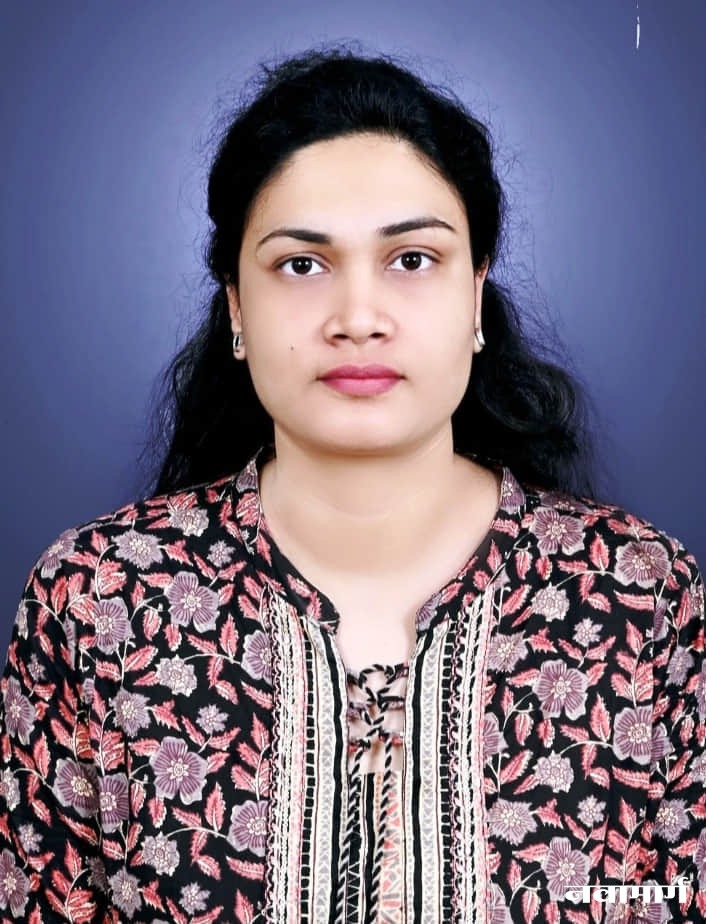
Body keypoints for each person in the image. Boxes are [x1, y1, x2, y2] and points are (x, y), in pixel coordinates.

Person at [0, 47, 703, 924]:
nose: (359, 318)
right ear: (236, 307)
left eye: (412, 259)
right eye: (303, 265)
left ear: (476, 293)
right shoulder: (98, 600)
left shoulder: (638, 596)